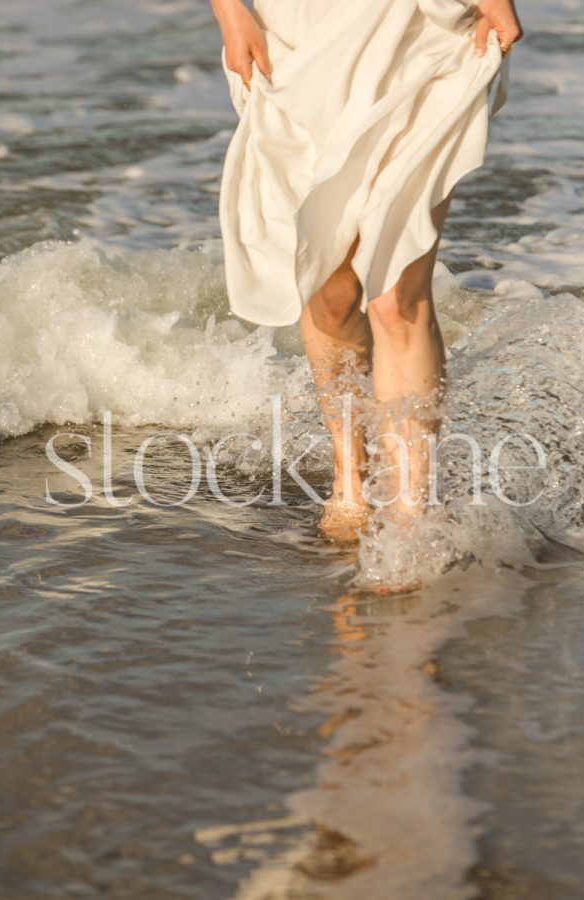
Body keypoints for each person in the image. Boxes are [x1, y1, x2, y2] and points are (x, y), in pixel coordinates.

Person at [211, 0, 523, 544]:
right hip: (295, 33)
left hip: (418, 28)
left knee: (396, 289)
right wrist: (228, 13)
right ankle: (350, 476)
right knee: (328, 288)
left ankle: (409, 511)